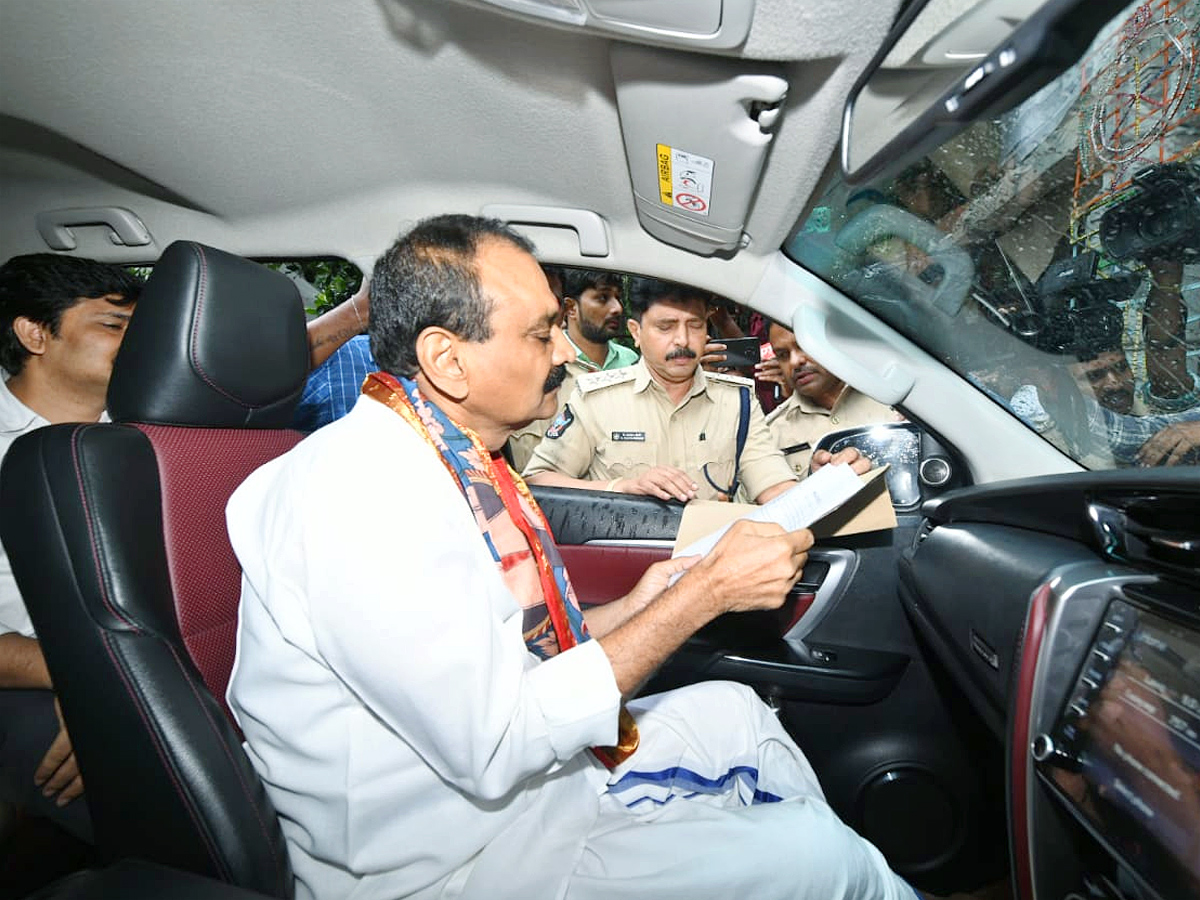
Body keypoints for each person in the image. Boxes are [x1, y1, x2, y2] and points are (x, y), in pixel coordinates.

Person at [225, 214, 917, 900]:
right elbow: (497, 744)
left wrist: (640, 602)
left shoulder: (450, 459)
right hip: (452, 864)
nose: (563, 350)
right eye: (538, 332)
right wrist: (701, 595)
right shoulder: (360, 493)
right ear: (447, 359)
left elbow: (515, 648)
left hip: (526, 800)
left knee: (738, 715)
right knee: (826, 859)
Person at [0, 253, 144, 843]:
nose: (136, 342)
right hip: (27, 677)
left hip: (136, 663)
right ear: (35, 333)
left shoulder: (147, 434)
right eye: (113, 325)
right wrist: (78, 675)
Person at [522, 277, 800, 503]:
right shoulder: (596, 399)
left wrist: (834, 482)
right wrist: (623, 488)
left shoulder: (738, 400)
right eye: (665, 327)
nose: (682, 339)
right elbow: (538, 481)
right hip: (627, 561)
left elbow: (774, 487)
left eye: (695, 325)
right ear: (636, 332)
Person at [759, 321, 901, 478]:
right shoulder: (770, 434)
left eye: (803, 346)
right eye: (783, 355)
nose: (794, 361)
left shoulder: (896, 400)